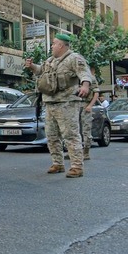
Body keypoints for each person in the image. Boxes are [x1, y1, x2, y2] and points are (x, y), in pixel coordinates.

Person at [24, 34, 92, 178]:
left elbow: (85, 74)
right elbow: (40, 71)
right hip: (50, 102)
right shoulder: (49, 61)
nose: (52, 46)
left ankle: (76, 166)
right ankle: (57, 163)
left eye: (54, 43)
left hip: (67, 102)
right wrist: (31, 67)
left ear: (61, 45)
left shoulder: (74, 58)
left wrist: (85, 86)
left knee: (70, 135)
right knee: (52, 135)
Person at [81, 67, 100, 161]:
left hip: (85, 105)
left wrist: (90, 106)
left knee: (86, 129)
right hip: (74, 106)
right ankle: (74, 151)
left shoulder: (91, 78)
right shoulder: (74, 78)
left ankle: (86, 152)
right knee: (74, 130)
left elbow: (96, 93)